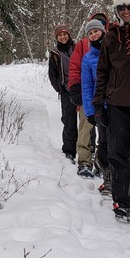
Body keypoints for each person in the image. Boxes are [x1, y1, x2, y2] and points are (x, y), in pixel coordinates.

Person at [94, 0, 130, 224]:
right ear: (116, 11)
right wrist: (98, 102)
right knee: (119, 154)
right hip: (117, 104)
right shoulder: (110, 37)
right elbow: (102, 71)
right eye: (121, 8)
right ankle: (123, 203)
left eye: (129, 7)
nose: (126, 11)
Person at [68, 11, 109, 179]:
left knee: (105, 132)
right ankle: (85, 160)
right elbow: (74, 66)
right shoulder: (83, 44)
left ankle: (101, 161)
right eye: (91, 30)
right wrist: (74, 87)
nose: (94, 34)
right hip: (88, 95)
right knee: (86, 129)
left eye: (100, 26)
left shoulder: (111, 43)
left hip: (107, 98)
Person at [48, 24, 80, 167]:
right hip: (67, 91)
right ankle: (69, 151)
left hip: (81, 88)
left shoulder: (77, 48)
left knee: (87, 122)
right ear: (57, 38)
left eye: (64, 34)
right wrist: (59, 88)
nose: (63, 37)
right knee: (69, 121)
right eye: (60, 35)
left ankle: (88, 151)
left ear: (69, 35)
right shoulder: (55, 54)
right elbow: (52, 74)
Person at [80, 19, 106, 182]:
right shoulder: (88, 58)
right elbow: (87, 86)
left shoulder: (113, 51)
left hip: (117, 104)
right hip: (99, 105)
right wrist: (90, 112)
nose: (94, 34)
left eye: (96, 31)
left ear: (103, 31)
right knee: (103, 139)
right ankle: (103, 168)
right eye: (90, 33)